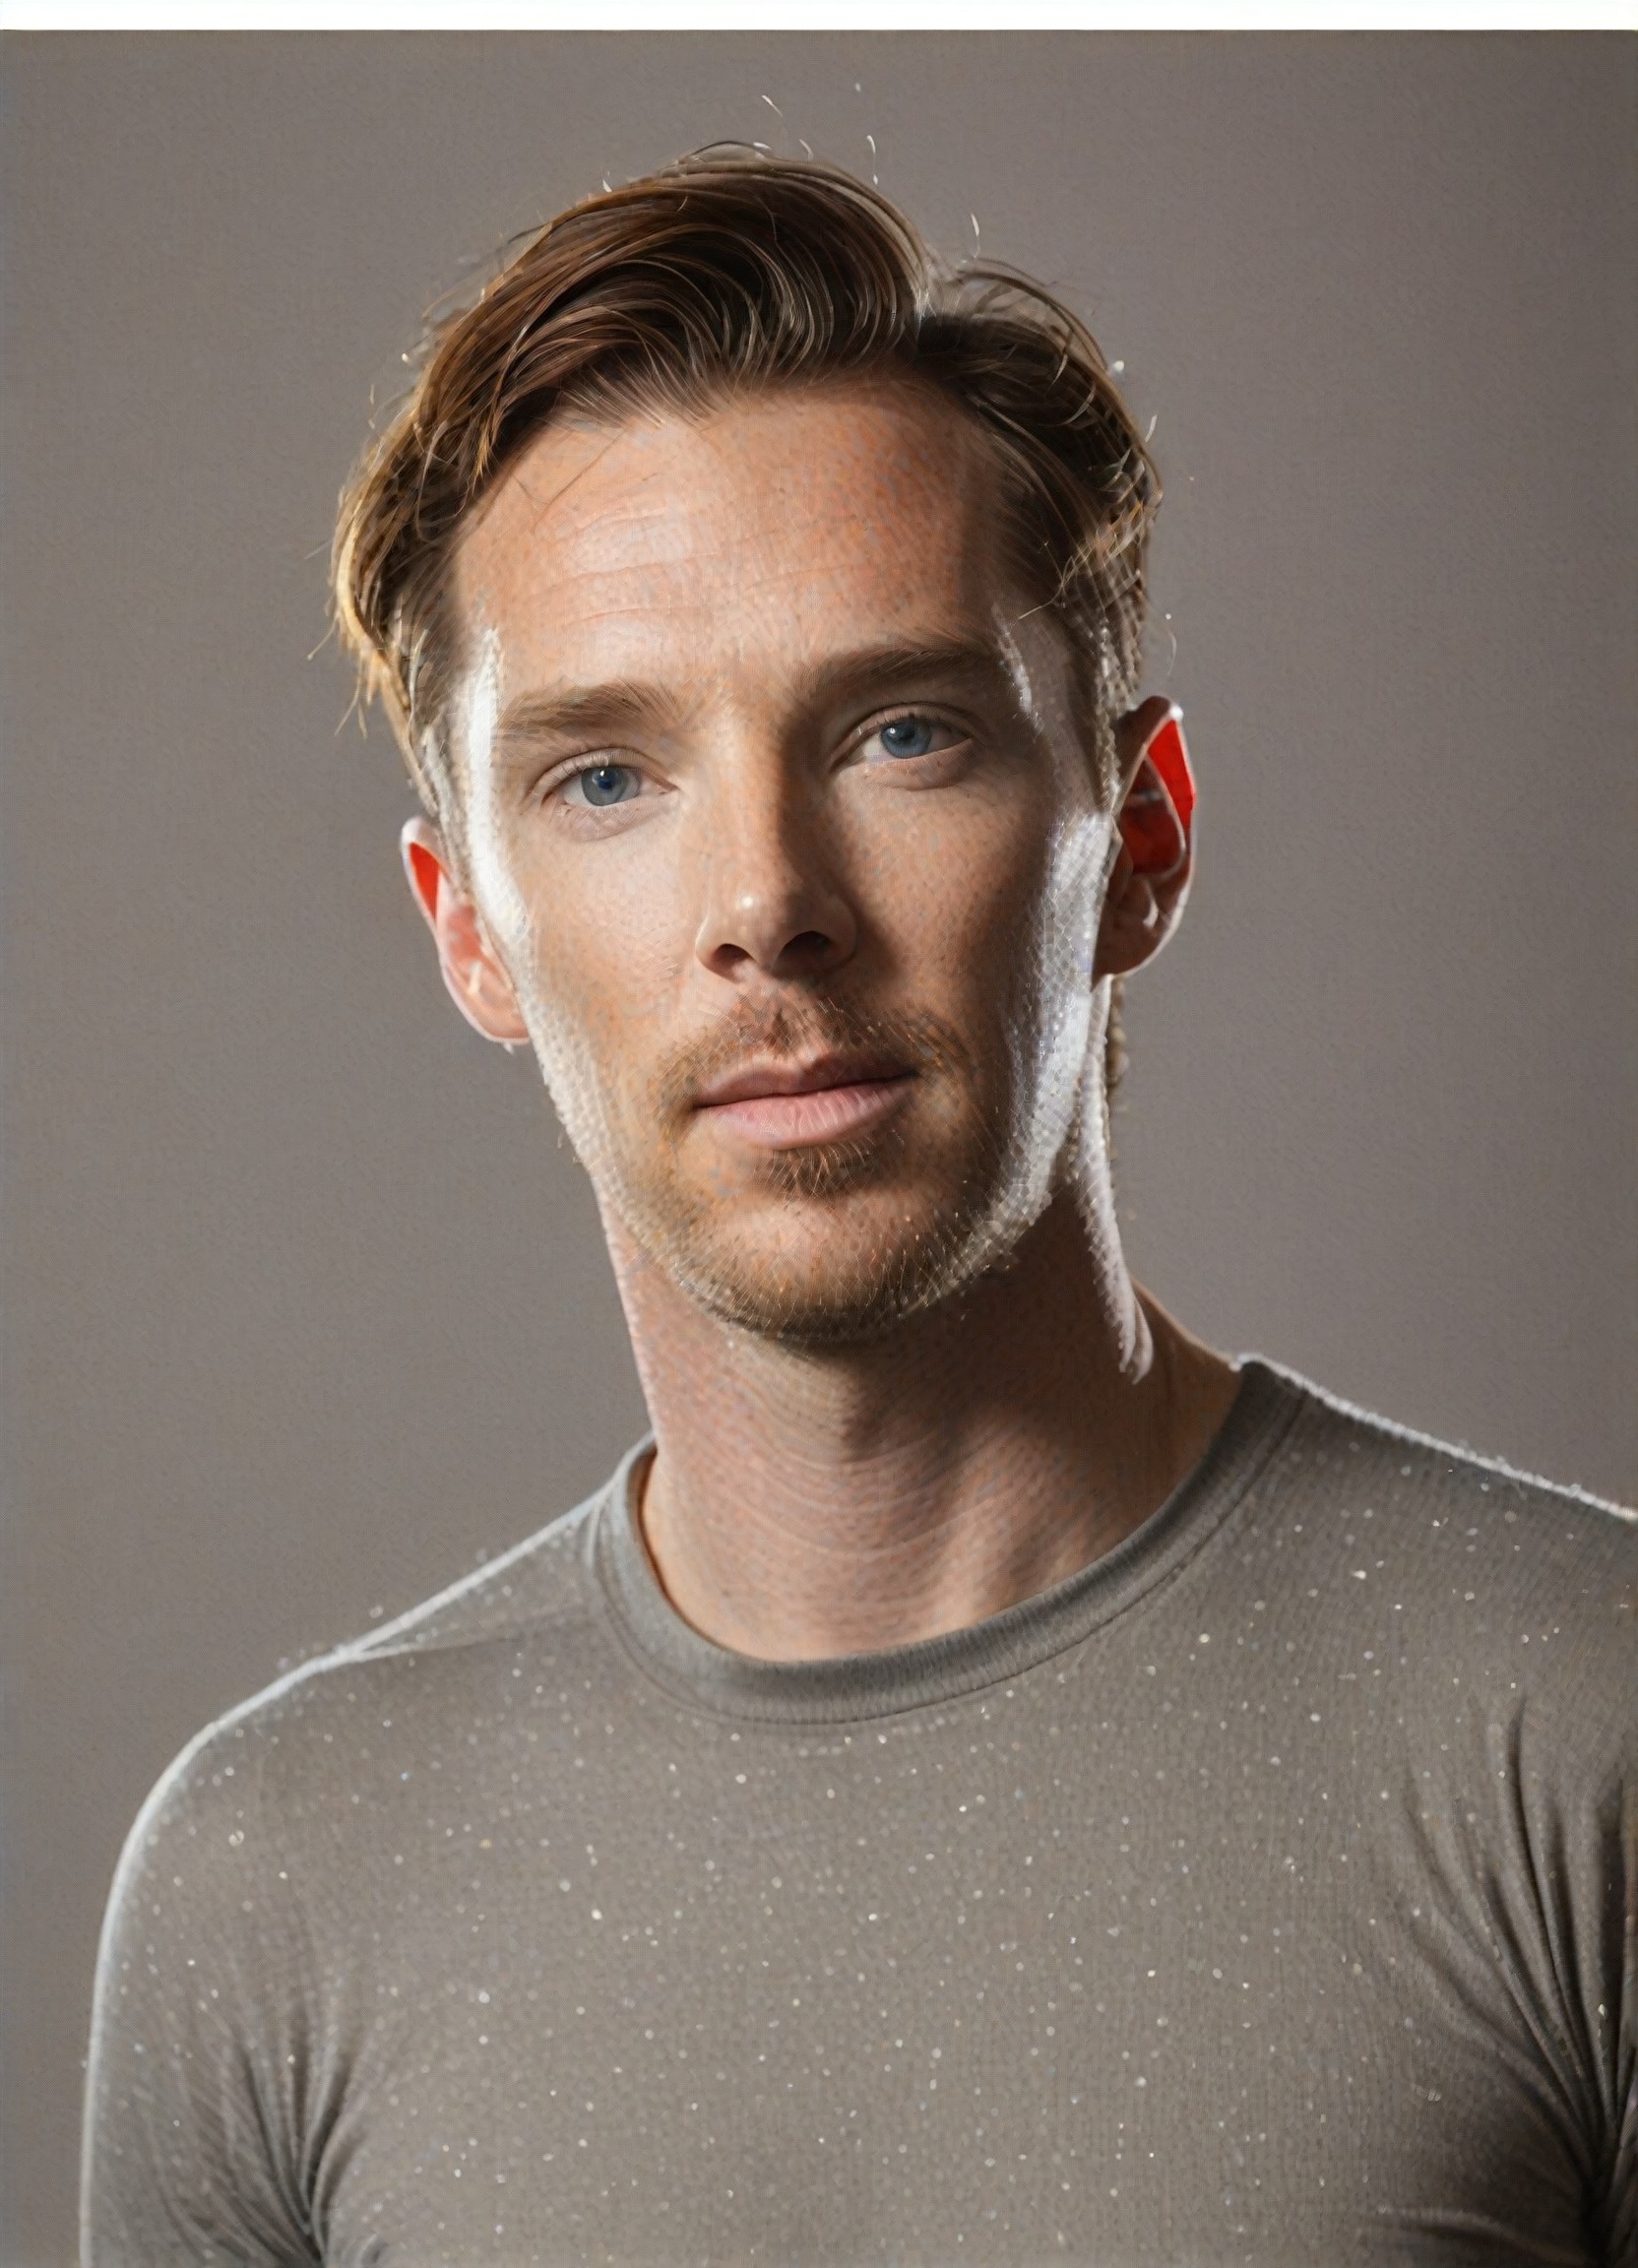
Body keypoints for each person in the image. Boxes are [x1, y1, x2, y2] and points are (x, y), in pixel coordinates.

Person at [82, 149, 1633, 2266]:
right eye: (606, 777)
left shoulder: (1583, 1739)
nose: (766, 905)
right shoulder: (272, 1889)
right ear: (470, 931)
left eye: (902, 732)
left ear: (1140, 839)